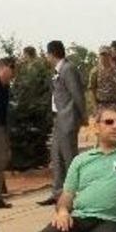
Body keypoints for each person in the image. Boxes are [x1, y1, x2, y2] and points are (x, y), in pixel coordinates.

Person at [39, 40, 86, 207]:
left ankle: (77, 192)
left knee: (69, 157)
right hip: (58, 118)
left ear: (52, 53)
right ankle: (57, 192)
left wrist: (83, 117)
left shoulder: (68, 69)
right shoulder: (58, 71)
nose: (46, 57)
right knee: (56, 156)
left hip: (68, 118)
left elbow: (77, 94)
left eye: (47, 54)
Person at [0, 57, 16, 209]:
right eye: (12, 69)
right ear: (2, 68)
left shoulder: (6, 87)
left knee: (1, 160)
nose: (14, 73)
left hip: (0, 128)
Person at [87, 46, 116, 112]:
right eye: (102, 55)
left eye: (106, 55)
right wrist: (95, 108)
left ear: (110, 56)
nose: (104, 57)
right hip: (100, 106)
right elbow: (92, 90)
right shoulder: (95, 71)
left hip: (115, 106)